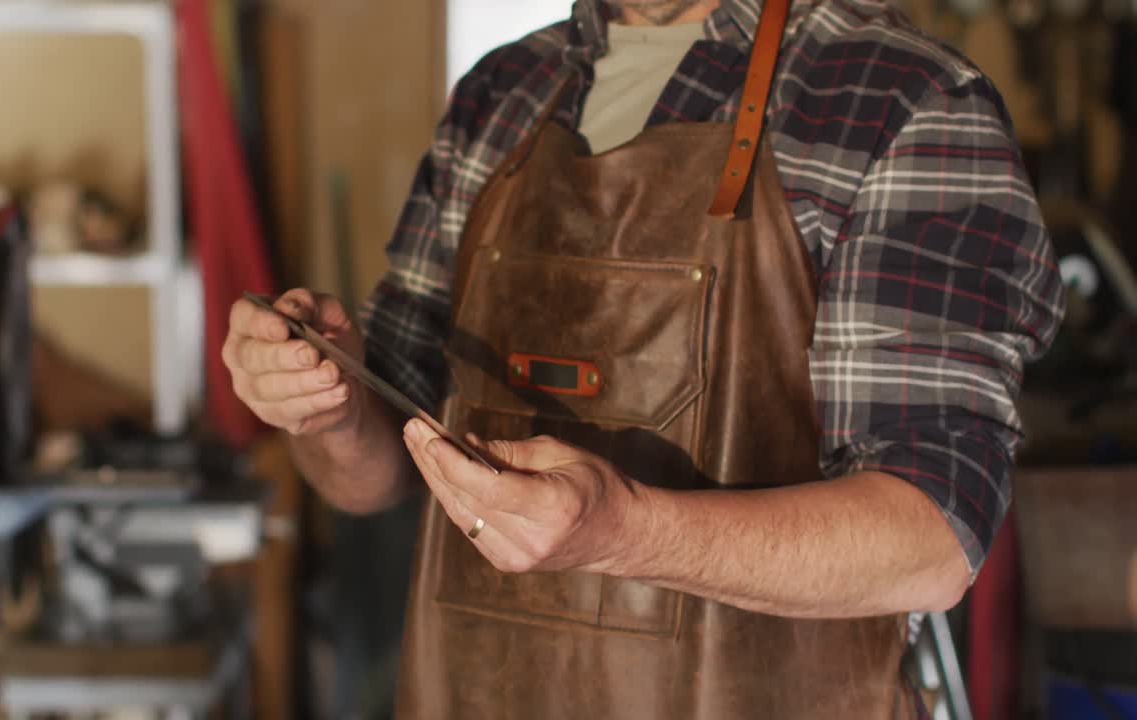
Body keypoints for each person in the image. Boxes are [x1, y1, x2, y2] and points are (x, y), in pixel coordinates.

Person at [223, 0, 1064, 715]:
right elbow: (371, 478)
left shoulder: (896, 99)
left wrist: (622, 531)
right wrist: (324, 405)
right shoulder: (500, 94)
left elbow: (930, 537)